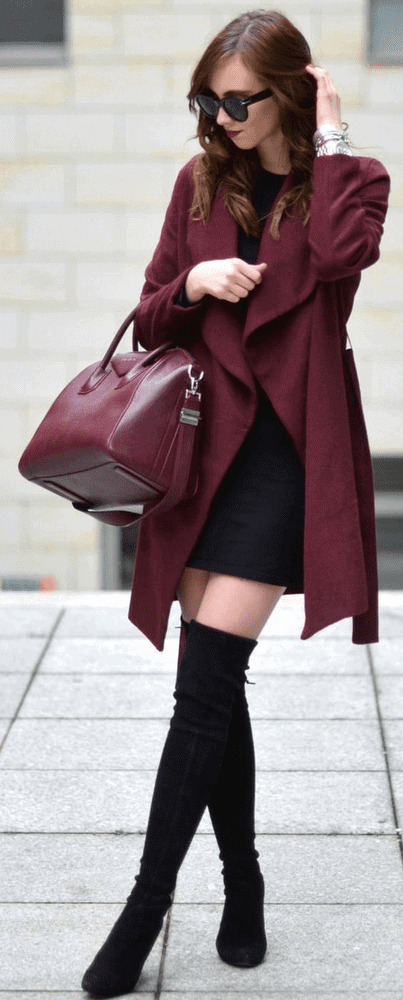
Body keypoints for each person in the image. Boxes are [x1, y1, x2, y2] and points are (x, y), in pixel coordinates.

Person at [81, 9, 390, 998]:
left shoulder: (350, 180)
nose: (218, 118)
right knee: (216, 684)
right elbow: (149, 307)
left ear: (288, 93)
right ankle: (243, 880)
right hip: (202, 454)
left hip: (285, 455)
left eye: (238, 99)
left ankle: (142, 912)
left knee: (205, 681)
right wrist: (198, 282)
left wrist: (331, 133)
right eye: (206, 100)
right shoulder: (196, 182)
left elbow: (344, 260)